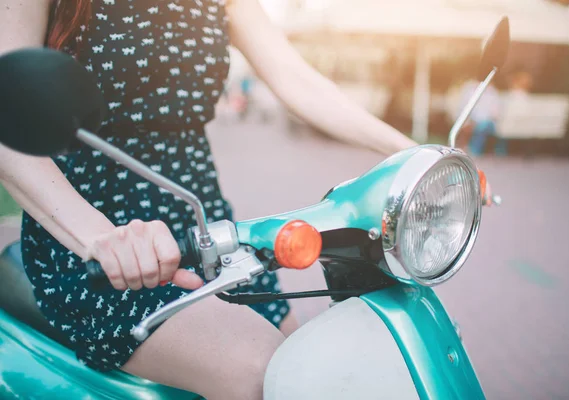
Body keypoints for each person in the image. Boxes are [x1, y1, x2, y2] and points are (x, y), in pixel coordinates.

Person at [0, 1, 417, 398]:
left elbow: (297, 79)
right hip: (99, 245)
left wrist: (412, 152)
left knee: (318, 369)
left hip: (209, 234)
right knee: (262, 372)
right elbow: (8, 112)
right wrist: (98, 237)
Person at [457, 78, 506, 156]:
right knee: (470, 126)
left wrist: (477, 121)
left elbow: (495, 114)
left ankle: (474, 152)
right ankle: (468, 149)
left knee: (483, 126)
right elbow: (464, 109)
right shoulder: (470, 91)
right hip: (473, 121)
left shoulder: (492, 93)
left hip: (489, 122)